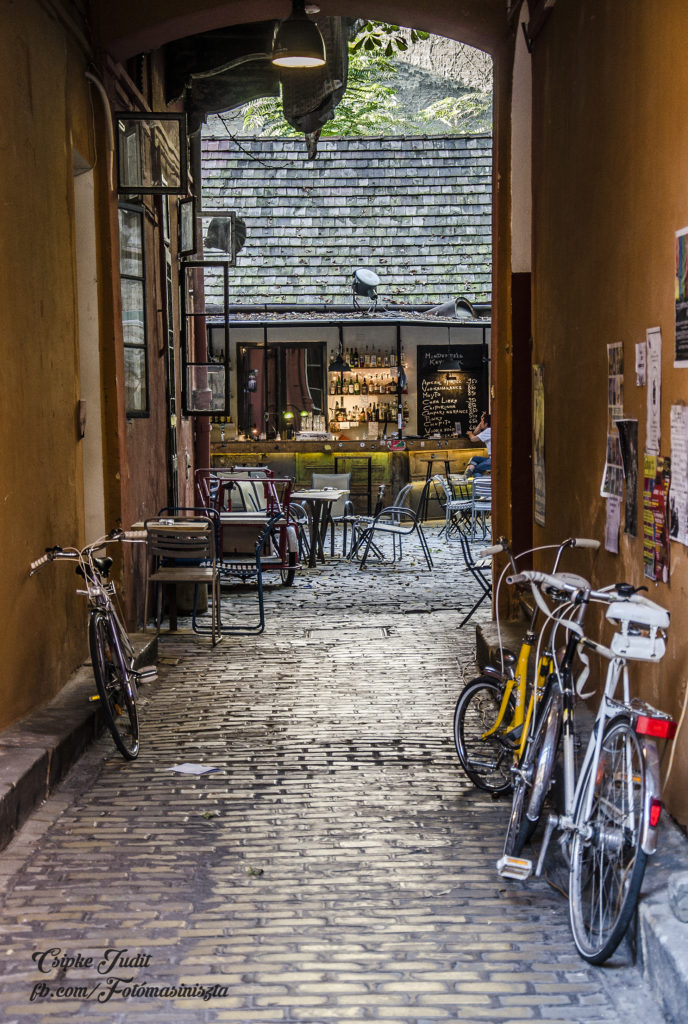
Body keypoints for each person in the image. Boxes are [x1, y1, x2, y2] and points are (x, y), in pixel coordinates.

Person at [465, 412, 491, 476]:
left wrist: (470, 433)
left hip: (493, 460)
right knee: (474, 459)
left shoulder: (488, 430)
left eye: (481, 422)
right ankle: (467, 474)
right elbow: (475, 433)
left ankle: (477, 480)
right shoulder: (488, 430)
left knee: (476, 469)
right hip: (491, 458)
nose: (480, 423)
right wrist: (482, 421)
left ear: (486, 424)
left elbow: (473, 439)